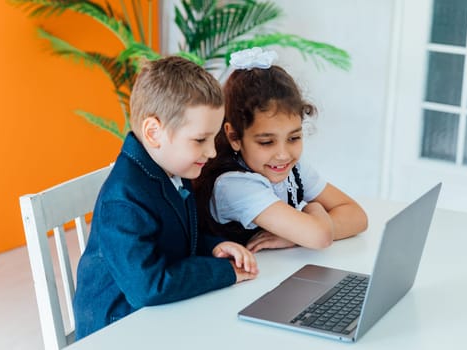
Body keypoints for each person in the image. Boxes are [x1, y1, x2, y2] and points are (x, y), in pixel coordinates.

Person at [73, 56, 258, 340]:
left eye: (213, 138)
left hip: (162, 315)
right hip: (119, 329)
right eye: (200, 140)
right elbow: (147, 285)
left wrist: (216, 247)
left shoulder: (173, 165)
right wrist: (223, 272)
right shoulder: (123, 199)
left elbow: (179, 238)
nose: (211, 152)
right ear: (153, 133)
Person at [194, 47, 368, 253]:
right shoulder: (233, 185)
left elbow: (357, 216)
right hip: (246, 283)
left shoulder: (293, 171)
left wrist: (292, 236)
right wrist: (313, 209)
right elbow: (319, 236)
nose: (283, 154)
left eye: (293, 138)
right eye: (267, 142)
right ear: (234, 137)